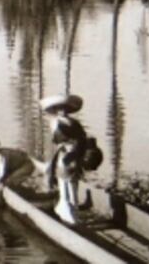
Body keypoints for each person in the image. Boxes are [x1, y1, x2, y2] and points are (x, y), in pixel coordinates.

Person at [40, 94, 89, 224]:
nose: (63, 111)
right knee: (67, 182)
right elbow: (77, 140)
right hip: (69, 155)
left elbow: (80, 139)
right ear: (57, 110)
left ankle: (71, 213)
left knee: (69, 183)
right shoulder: (66, 123)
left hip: (70, 155)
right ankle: (70, 212)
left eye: (64, 109)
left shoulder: (64, 122)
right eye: (60, 109)